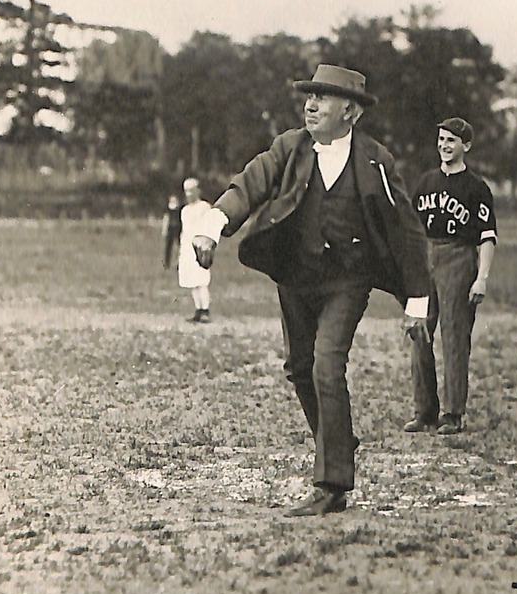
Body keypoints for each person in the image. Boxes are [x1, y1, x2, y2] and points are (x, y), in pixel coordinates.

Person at [190, 64, 433, 517]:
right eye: (309, 95)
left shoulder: (376, 160)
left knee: (326, 366)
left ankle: (332, 484)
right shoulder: (290, 147)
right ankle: (336, 438)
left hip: (348, 280)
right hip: (295, 277)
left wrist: (417, 301)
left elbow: (406, 231)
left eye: (323, 97)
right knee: (300, 368)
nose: (311, 104)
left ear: (352, 112)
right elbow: (250, 183)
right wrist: (212, 227)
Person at [406, 116, 497, 436]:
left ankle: (453, 413)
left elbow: (487, 237)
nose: (445, 146)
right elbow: (411, 229)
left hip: (458, 258)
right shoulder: (426, 182)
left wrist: (481, 277)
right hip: (425, 257)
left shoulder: (476, 188)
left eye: (452, 141)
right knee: (418, 331)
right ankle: (424, 410)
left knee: (454, 336)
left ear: (466, 146)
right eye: (441, 140)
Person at [175, 177, 227, 323]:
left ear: (198, 190)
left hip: (200, 246)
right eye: (186, 191)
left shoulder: (204, 208)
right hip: (187, 247)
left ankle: (205, 309)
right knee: (191, 279)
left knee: (201, 279)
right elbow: (184, 232)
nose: (189, 194)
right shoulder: (185, 210)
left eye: (191, 190)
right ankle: (198, 309)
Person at [161, 190, 183, 271]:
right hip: (170, 228)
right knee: (168, 247)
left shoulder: (180, 209)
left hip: (178, 228)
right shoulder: (168, 209)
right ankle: (167, 263)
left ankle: (179, 263)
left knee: (180, 247)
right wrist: (164, 229)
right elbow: (166, 219)